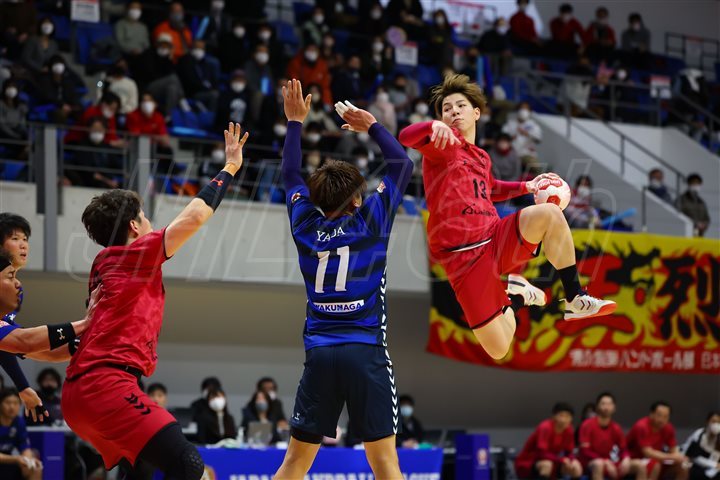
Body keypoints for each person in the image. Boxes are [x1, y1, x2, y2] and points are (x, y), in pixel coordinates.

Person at [60, 122, 249, 479]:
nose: (149, 223)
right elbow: (195, 216)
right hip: (106, 386)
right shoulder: (135, 254)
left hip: (80, 393)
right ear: (134, 226)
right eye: (144, 217)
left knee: (142, 470)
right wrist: (230, 166)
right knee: (189, 463)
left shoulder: (104, 264)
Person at [398, 74, 616, 360]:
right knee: (499, 348)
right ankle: (517, 296)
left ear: (476, 113)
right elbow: (405, 136)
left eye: (460, 106)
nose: (453, 112)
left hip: (494, 235)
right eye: (446, 109)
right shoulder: (441, 145)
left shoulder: (481, 157)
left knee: (550, 213)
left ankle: (575, 296)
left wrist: (527, 186)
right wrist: (432, 126)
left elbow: (490, 189)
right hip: (462, 257)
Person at [273, 80, 413, 478]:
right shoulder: (371, 219)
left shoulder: (305, 224)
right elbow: (402, 165)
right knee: (384, 464)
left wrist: (294, 123)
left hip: (320, 355)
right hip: (365, 353)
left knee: (294, 464)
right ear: (356, 199)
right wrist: (373, 126)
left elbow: (290, 173)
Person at [578, 392, 647, 480]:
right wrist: (605, 461)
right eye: (603, 404)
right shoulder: (587, 425)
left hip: (609, 462)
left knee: (640, 465)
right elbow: (585, 451)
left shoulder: (616, 427)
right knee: (599, 464)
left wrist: (626, 458)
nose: (606, 407)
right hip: (589, 463)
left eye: (609, 404)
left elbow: (623, 448)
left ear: (614, 408)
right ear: (597, 407)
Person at [515, 403, 583, 480]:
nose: (563, 420)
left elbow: (569, 452)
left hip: (554, 461)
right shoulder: (545, 427)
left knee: (576, 466)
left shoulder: (569, 430)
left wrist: (570, 460)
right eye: (561, 416)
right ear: (554, 417)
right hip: (531, 461)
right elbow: (541, 453)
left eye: (567, 416)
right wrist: (561, 459)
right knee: (547, 464)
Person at [627, 401, 690, 480]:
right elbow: (648, 453)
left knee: (683, 465)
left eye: (665, 416)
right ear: (651, 414)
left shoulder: (668, 428)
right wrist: (673, 457)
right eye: (659, 415)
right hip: (635, 459)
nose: (662, 420)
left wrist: (679, 458)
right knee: (655, 465)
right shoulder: (641, 426)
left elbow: (673, 449)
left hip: (658, 459)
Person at [0, 389, 43, 480]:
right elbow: (15, 459)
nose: (12, 407)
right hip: (7, 459)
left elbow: (25, 447)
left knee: (35, 468)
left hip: (9, 460)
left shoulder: (19, 422)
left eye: (16, 403)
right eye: (8, 403)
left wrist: (28, 461)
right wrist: (16, 459)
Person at [35, 55, 83, 124]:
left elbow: (73, 95)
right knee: (61, 114)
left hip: (66, 106)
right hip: (50, 107)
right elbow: (48, 97)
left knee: (80, 112)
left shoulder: (67, 81)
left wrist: (75, 105)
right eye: (56, 65)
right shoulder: (45, 80)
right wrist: (61, 105)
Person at [176, 39, 220, 111]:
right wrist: (205, 88)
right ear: (192, 48)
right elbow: (190, 81)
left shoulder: (204, 62)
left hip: (203, 89)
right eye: (197, 47)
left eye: (201, 48)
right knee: (214, 95)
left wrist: (212, 87)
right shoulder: (186, 61)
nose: (199, 50)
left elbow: (211, 79)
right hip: (192, 92)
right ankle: (209, 115)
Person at [683, 411, 720, 480]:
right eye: (713, 421)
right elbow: (693, 457)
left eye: (718, 422)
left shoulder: (718, 438)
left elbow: (716, 456)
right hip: (694, 464)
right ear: (707, 422)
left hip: (710, 467)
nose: (716, 425)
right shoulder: (699, 434)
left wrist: (715, 466)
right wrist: (714, 464)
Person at [0, 80, 29, 161]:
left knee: (27, 134)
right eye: (9, 87)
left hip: (17, 132)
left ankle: (23, 153)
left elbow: (22, 123)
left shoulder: (20, 106)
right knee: (22, 144)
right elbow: (1, 124)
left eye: (13, 87)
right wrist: (14, 136)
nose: (11, 89)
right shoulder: (1, 104)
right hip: (4, 133)